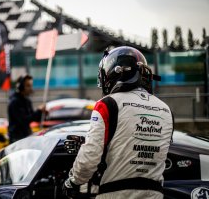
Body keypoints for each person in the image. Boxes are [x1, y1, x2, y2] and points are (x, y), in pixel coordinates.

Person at [63, 46, 174, 199]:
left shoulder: (107, 105)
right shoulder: (165, 109)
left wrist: (73, 182)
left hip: (115, 193)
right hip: (154, 194)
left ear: (112, 73)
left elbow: (90, 157)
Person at [7, 74, 46, 144]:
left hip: (26, 136)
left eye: (31, 85)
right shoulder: (14, 102)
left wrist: (42, 113)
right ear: (20, 87)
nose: (30, 88)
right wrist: (38, 111)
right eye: (28, 85)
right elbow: (23, 120)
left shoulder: (27, 101)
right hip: (17, 139)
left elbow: (33, 118)